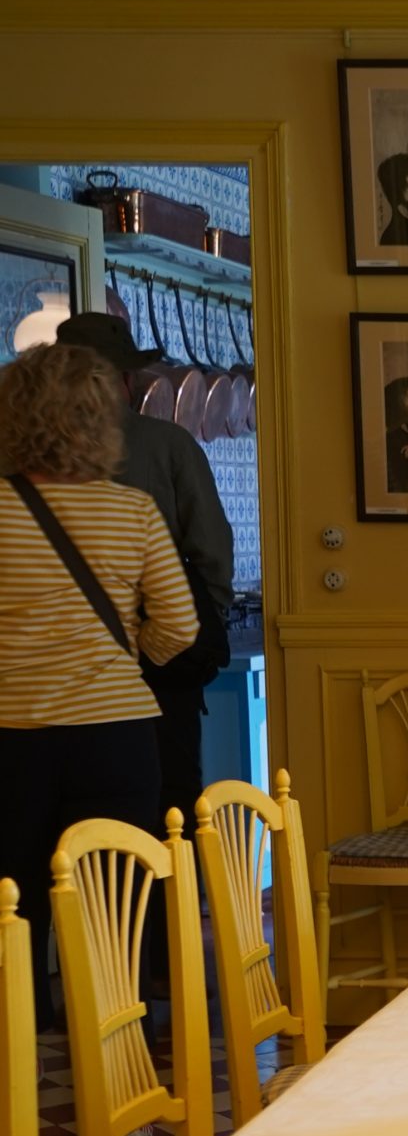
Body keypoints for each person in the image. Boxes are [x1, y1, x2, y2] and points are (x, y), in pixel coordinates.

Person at [0, 343, 199, 1022]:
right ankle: (121, 1076)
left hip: (12, 738)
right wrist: (120, 663)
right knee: (115, 904)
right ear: (100, 421)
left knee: (14, 907)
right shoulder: (133, 510)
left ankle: (19, 1070)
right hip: (115, 737)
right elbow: (180, 627)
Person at [54, 315, 232, 874]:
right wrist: (166, 644)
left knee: (59, 836)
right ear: (127, 381)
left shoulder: (24, 462)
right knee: (166, 817)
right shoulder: (170, 445)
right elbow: (212, 555)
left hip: (52, 686)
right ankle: (161, 950)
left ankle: (71, 954)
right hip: (158, 678)